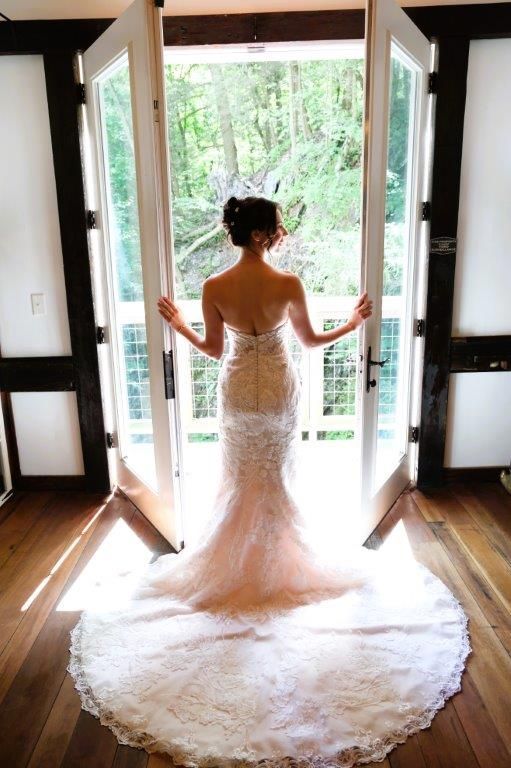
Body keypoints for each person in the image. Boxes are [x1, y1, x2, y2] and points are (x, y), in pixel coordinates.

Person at [68, 196, 470, 767]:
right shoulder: (287, 283)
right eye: (277, 226)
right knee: (274, 480)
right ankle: (275, 565)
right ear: (261, 233)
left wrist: (180, 323)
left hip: (235, 391)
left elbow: (211, 348)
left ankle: (238, 567)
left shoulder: (213, 285)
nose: (281, 233)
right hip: (278, 390)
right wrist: (351, 325)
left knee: (241, 480)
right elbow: (308, 342)